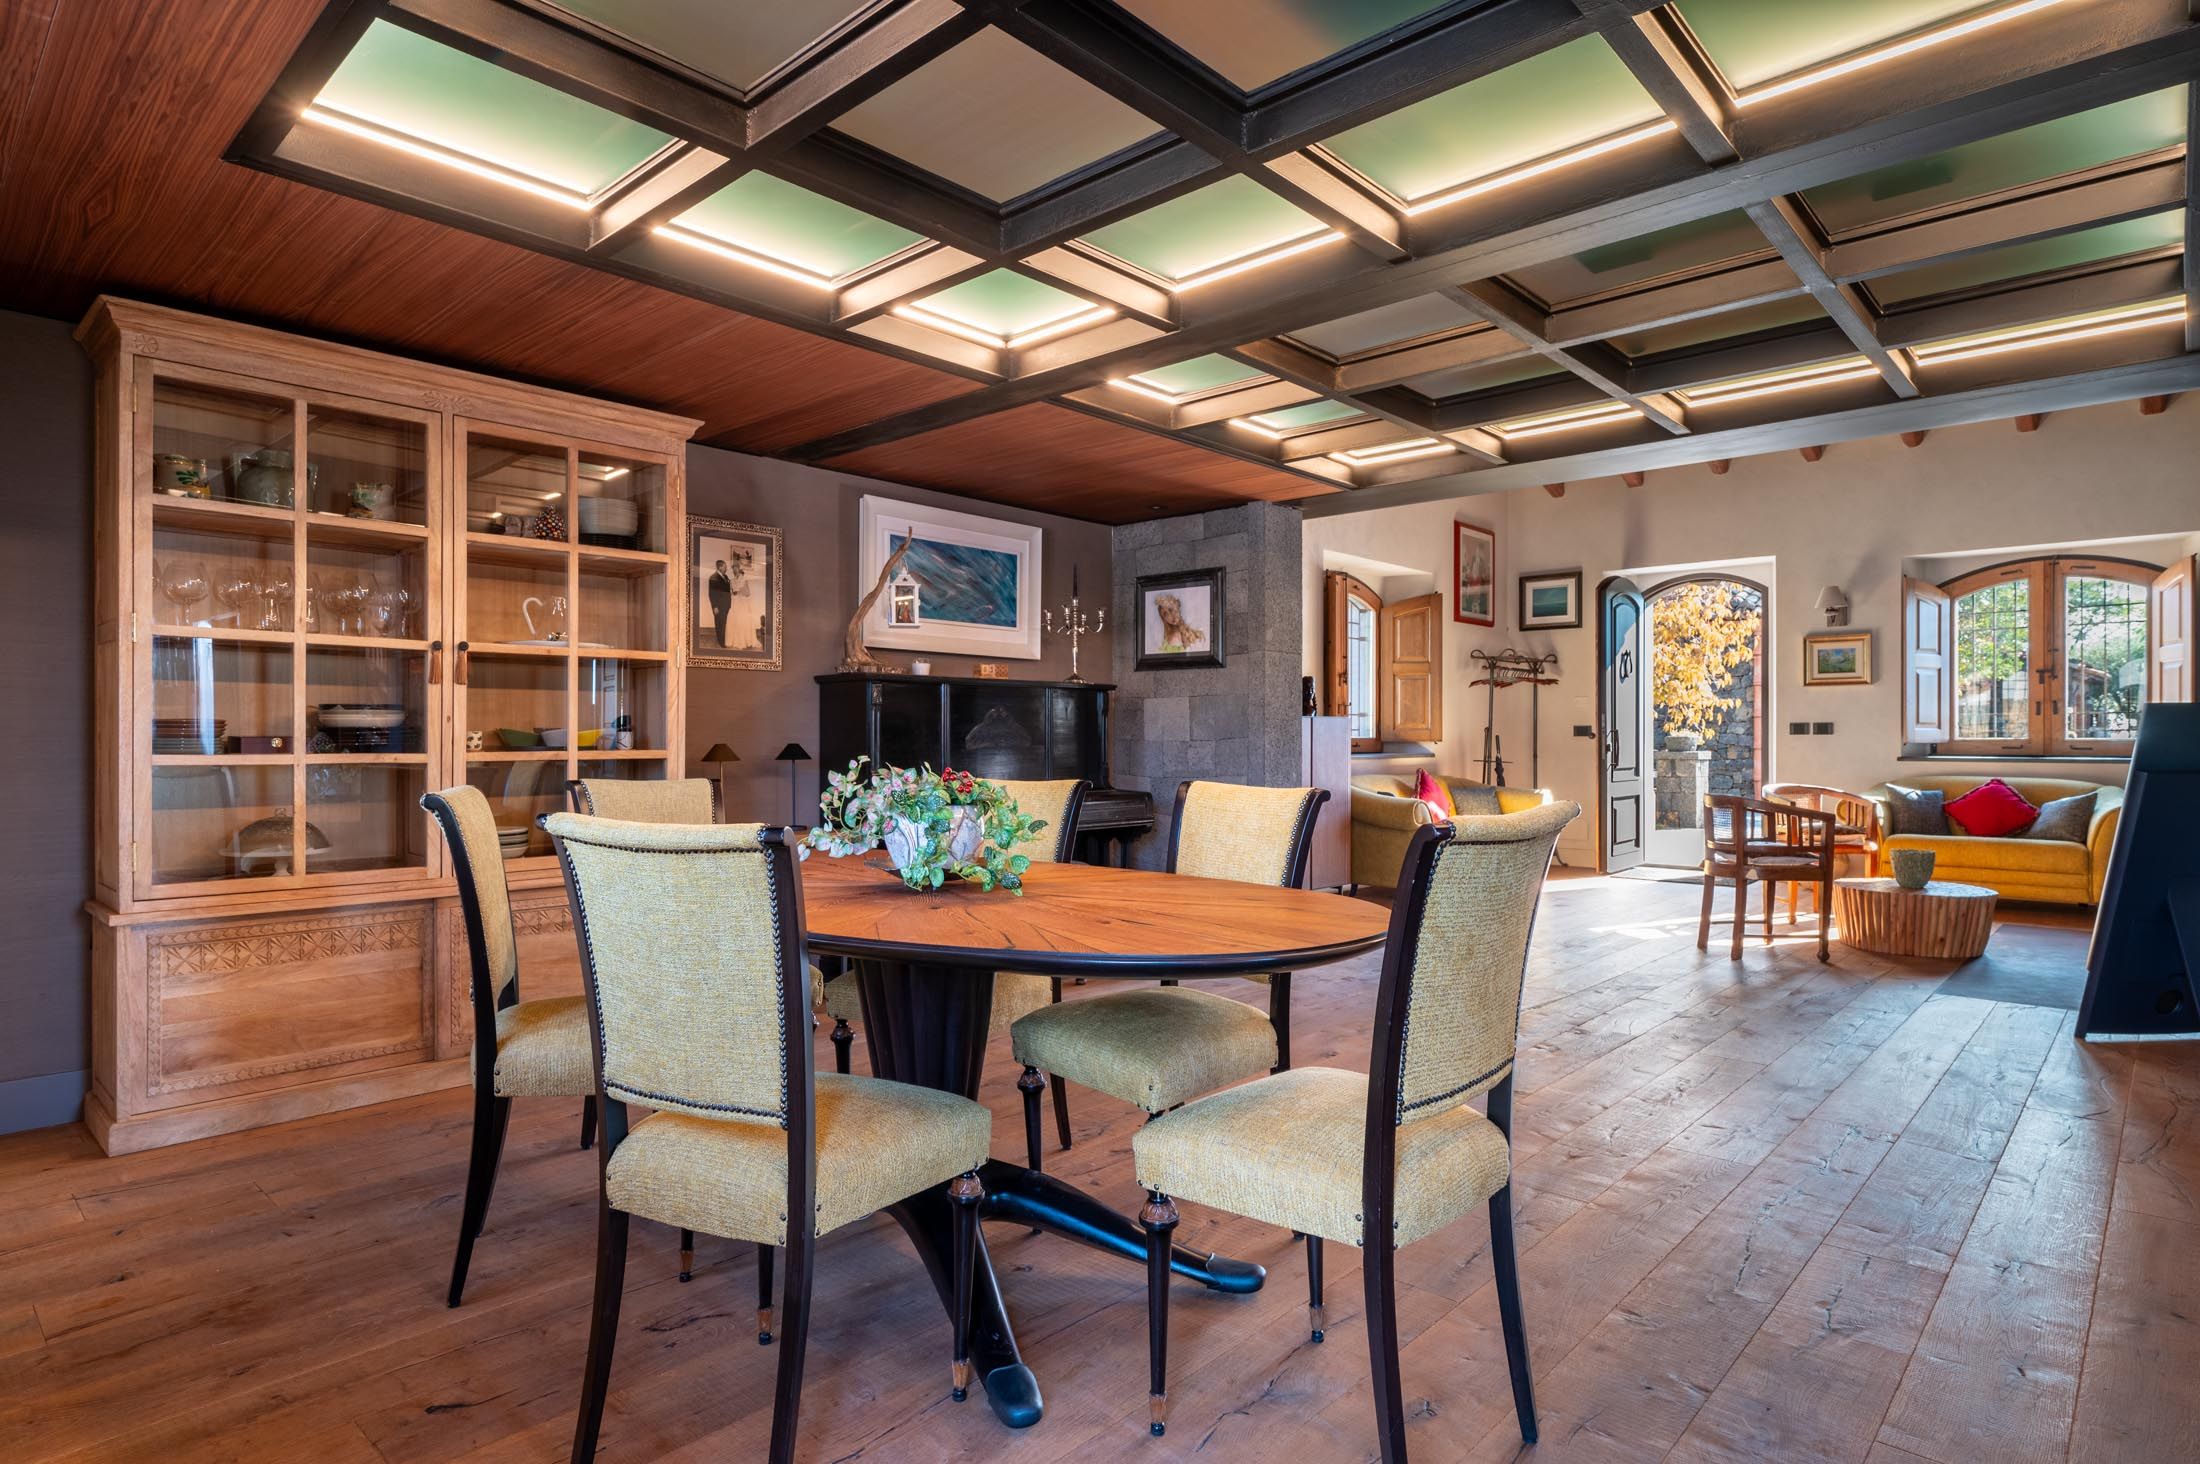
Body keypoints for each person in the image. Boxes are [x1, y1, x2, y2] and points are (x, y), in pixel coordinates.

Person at [707, 557, 733, 647]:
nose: (726, 568)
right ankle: (721, 643)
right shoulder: (713, 577)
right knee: (719, 624)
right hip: (719, 606)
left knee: (723, 623)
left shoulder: (725, 577)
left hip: (726, 605)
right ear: (720, 567)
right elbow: (711, 594)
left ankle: (722, 640)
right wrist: (715, 606)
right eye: (725, 567)